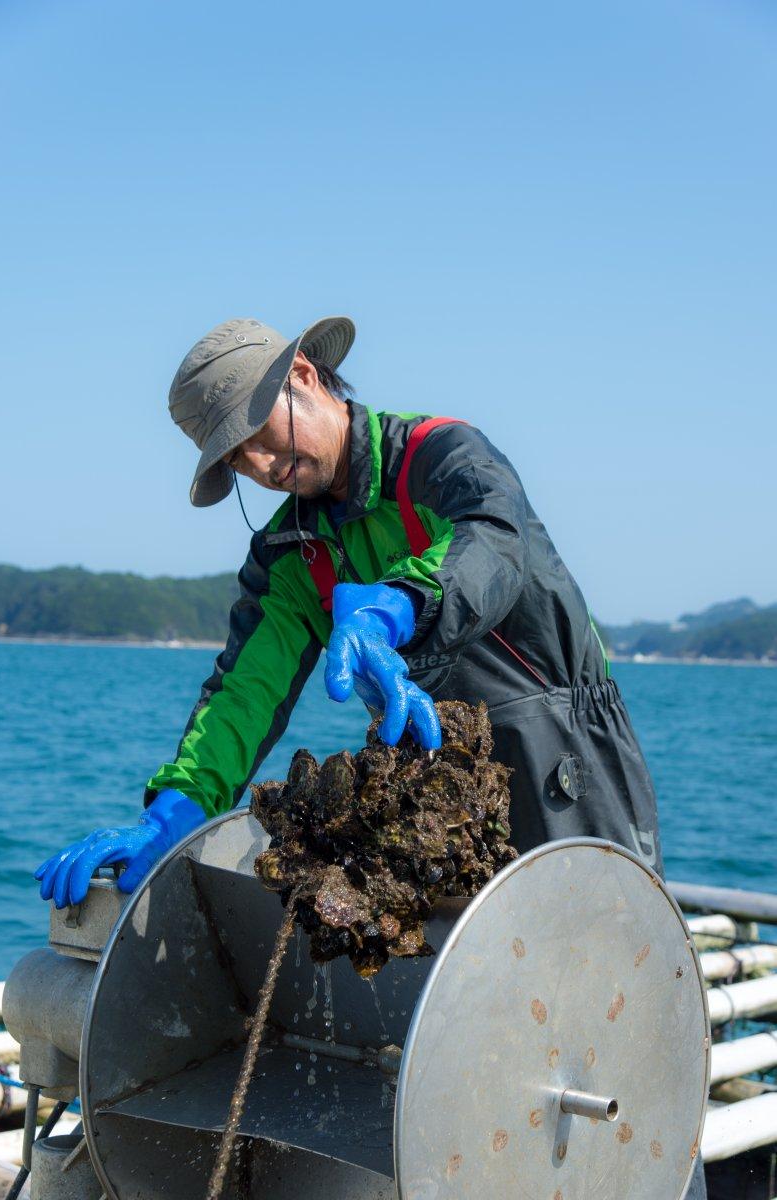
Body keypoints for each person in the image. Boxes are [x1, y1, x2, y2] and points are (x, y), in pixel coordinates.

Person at [35, 313, 706, 1196]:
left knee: (609, 1025)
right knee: (458, 1023)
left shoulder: (439, 455)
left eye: (259, 437)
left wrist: (396, 607)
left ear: (306, 377)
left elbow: (494, 542)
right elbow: (245, 688)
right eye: (237, 461)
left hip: (557, 754)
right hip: (423, 784)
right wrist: (176, 812)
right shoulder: (291, 552)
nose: (262, 467)